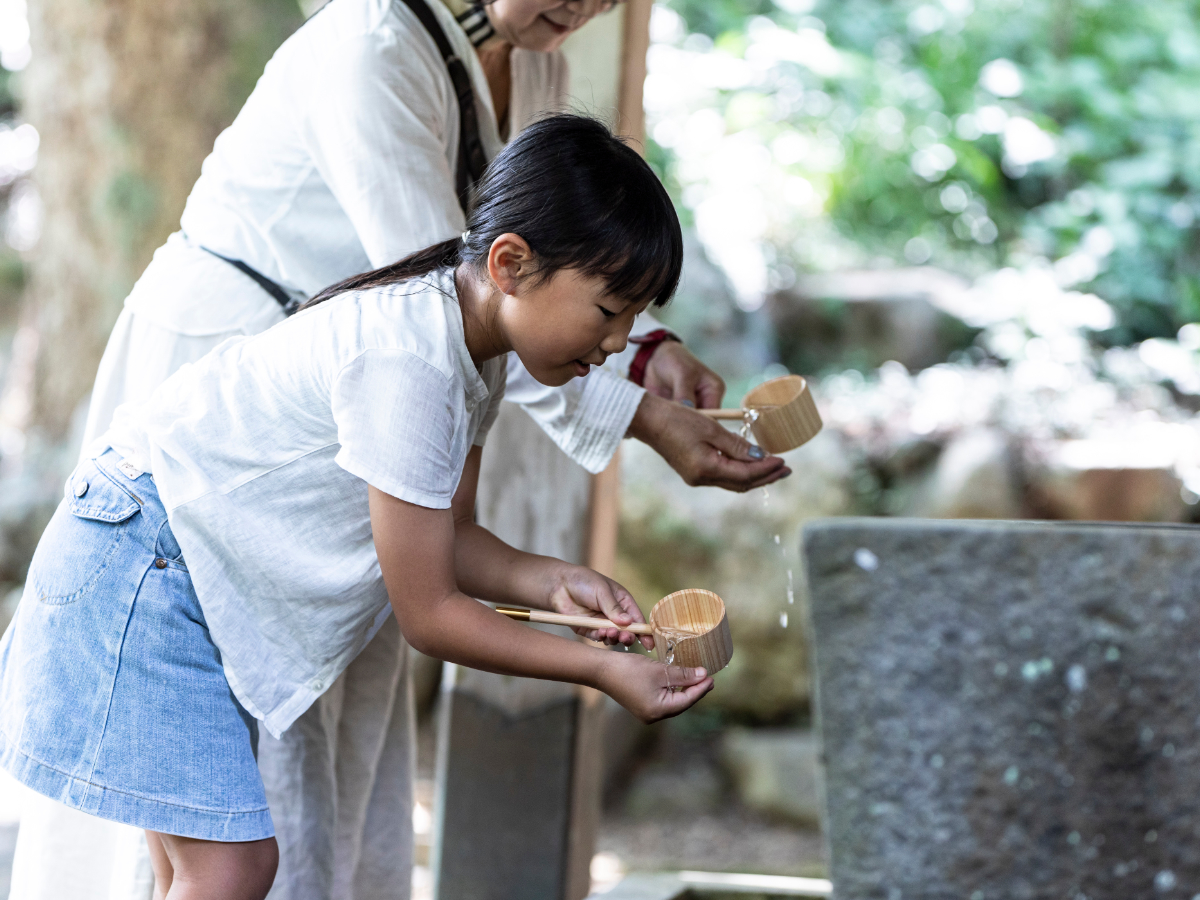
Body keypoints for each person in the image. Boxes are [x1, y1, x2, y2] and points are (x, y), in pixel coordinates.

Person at [7, 2, 789, 898]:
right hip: (141, 564)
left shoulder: (472, 347)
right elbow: (430, 611)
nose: (618, 347)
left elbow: (447, 535)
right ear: (507, 263)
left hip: (180, 561)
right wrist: (600, 668)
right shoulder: (413, 355)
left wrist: (549, 581)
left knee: (199, 867)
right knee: (234, 865)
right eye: (610, 315)